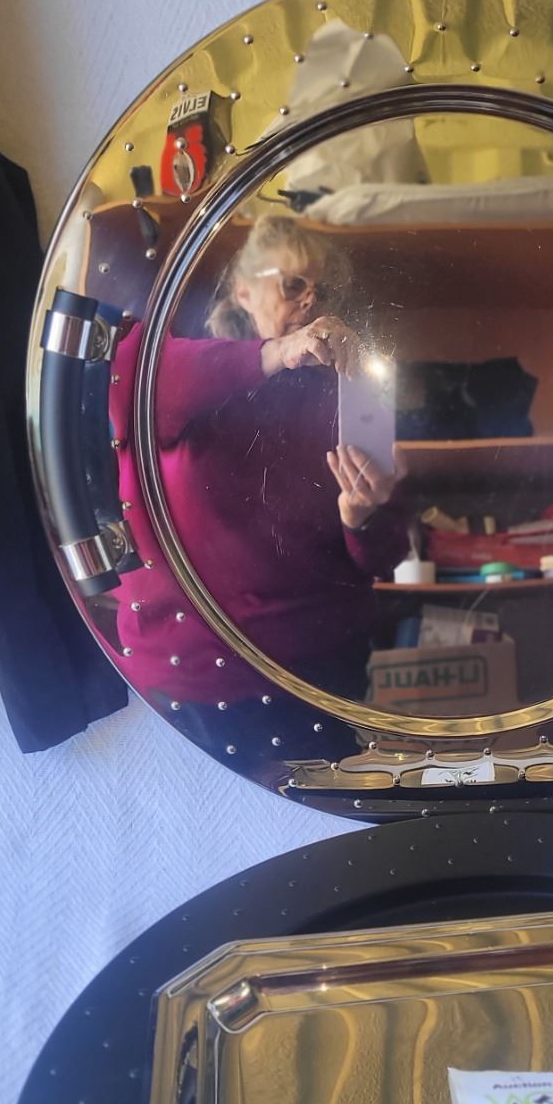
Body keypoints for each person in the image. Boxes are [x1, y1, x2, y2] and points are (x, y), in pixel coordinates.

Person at [106, 216, 406, 737]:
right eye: (292, 284)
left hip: (326, 666)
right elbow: (134, 386)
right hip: (197, 672)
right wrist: (277, 353)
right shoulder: (179, 359)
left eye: (322, 291)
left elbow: (386, 558)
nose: (309, 300)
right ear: (244, 290)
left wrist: (363, 518)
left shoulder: (346, 394)